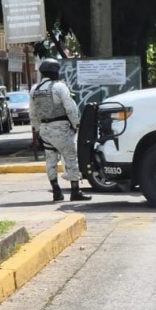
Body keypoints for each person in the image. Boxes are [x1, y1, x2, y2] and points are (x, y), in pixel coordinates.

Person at [29, 58, 91, 202]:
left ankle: (56, 191)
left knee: (50, 160)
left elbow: (32, 113)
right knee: (70, 158)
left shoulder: (35, 89)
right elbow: (70, 107)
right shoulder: (59, 87)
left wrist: (37, 130)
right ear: (55, 72)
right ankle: (75, 191)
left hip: (45, 129)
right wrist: (76, 124)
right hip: (61, 129)